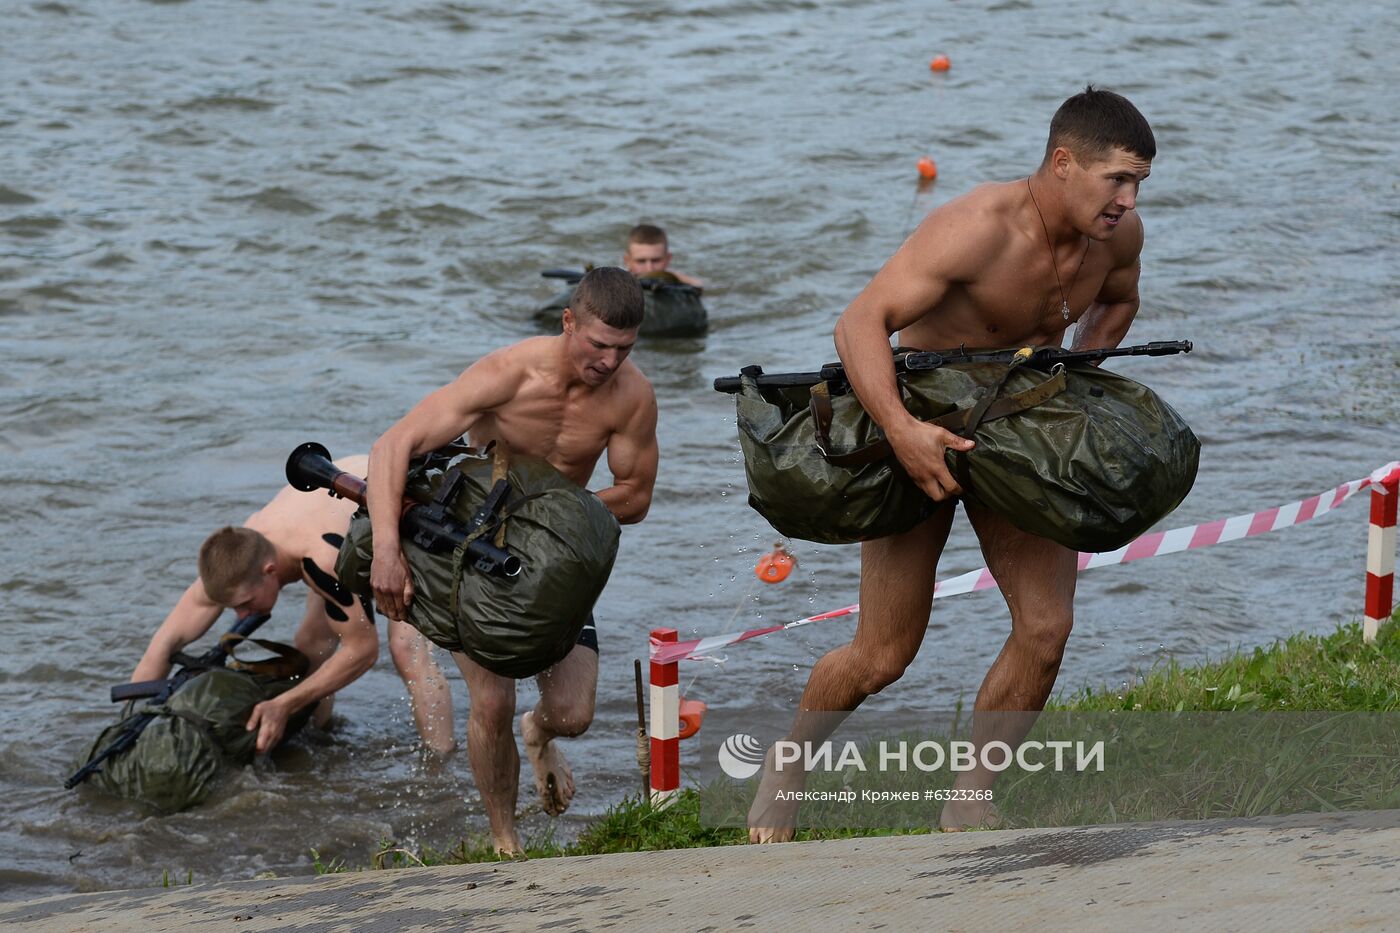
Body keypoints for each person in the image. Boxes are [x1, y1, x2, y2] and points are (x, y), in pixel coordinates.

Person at [748, 86, 1155, 841]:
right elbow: (859, 322)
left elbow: (1121, 299)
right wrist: (901, 430)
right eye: (1117, 180)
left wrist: (1073, 377)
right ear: (1064, 164)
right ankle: (789, 760)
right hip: (924, 422)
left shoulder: (1117, 238)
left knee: (1046, 626)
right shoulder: (974, 230)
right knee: (883, 652)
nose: (1128, 201)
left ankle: (968, 797)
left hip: (1020, 428)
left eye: (1139, 184)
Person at [367, 266, 659, 855]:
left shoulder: (632, 398)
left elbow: (635, 496)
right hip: (471, 557)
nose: (608, 361)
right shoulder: (507, 374)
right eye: (598, 344)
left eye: (623, 350)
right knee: (493, 700)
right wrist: (386, 552)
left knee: (573, 714)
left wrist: (542, 522)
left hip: (553, 563)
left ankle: (540, 736)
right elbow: (392, 446)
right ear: (568, 321)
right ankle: (507, 840)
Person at [132, 455, 457, 757]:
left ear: (269, 572)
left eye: (245, 604)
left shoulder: (322, 562)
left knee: (406, 650)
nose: (242, 617)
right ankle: (319, 737)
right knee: (310, 645)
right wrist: (132, 730)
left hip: (408, 510)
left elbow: (362, 652)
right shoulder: (237, 556)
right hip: (344, 516)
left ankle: (440, 762)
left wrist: (284, 703)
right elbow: (161, 648)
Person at [623, 223, 704, 290]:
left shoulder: (679, 280)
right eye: (641, 261)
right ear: (627, 261)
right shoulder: (620, 283)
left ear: (668, 259)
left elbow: (700, 286)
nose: (649, 269)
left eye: (656, 260)